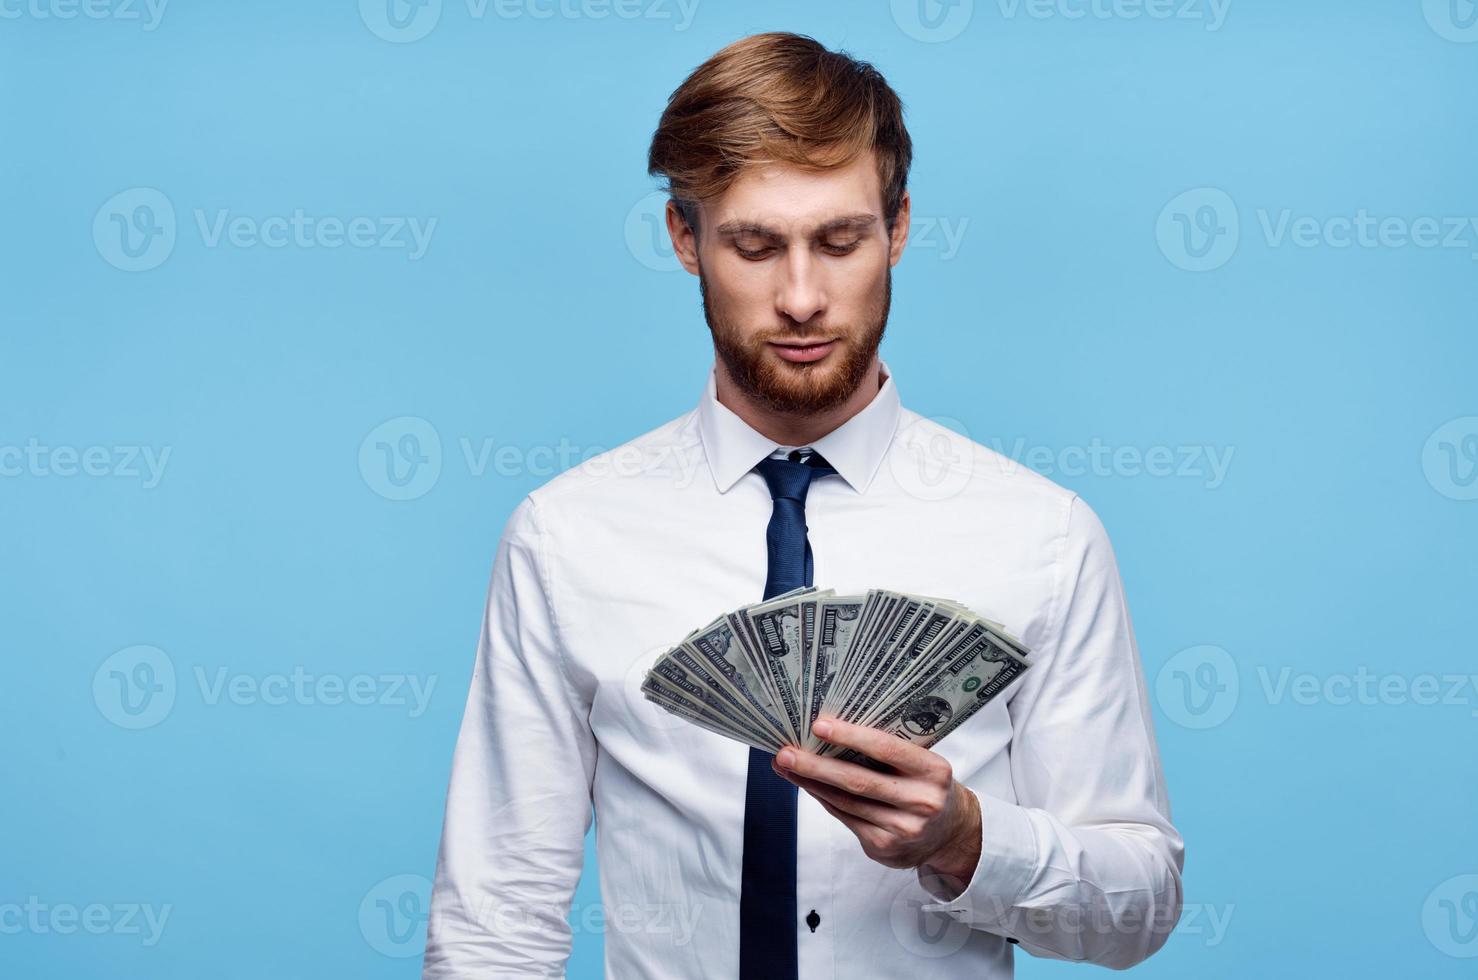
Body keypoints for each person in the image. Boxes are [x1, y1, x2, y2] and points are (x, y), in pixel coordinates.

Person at [422, 31, 1184, 979]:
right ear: (684, 239)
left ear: (898, 228)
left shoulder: (1041, 536)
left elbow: (1139, 908)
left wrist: (966, 839)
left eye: (840, 240)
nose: (801, 297)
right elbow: (497, 914)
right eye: (753, 244)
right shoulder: (566, 536)